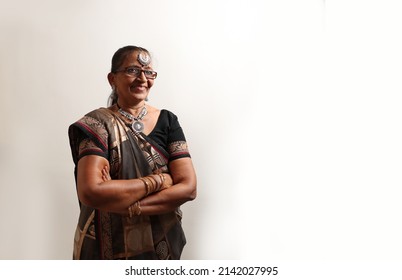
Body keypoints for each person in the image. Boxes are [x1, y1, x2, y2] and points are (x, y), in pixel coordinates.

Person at [68, 45, 197, 260]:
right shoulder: (97, 124)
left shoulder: (168, 121)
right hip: (106, 245)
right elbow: (91, 191)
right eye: (132, 71)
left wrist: (125, 204)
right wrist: (159, 181)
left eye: (149, 73)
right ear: (112, 78)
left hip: (159, 246)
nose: (142, 79)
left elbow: (188, 188)